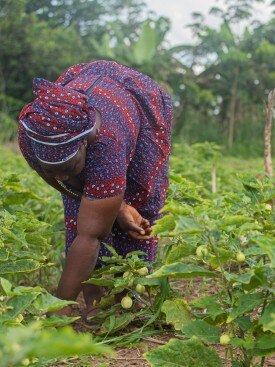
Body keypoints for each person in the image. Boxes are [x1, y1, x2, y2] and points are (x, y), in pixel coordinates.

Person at [17, 60, 173, 319]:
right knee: (81, 216)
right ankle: (95, 301)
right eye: (51, 168)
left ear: (85, 145)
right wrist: (114, 205)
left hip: (135, 104)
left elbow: (91, 236)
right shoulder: (34, 133)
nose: (62, 176)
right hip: (87, 85)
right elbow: (68, 190)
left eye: (69, 165)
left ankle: (125, 295)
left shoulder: (107, 141)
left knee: (136, 205)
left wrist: (57, 305)